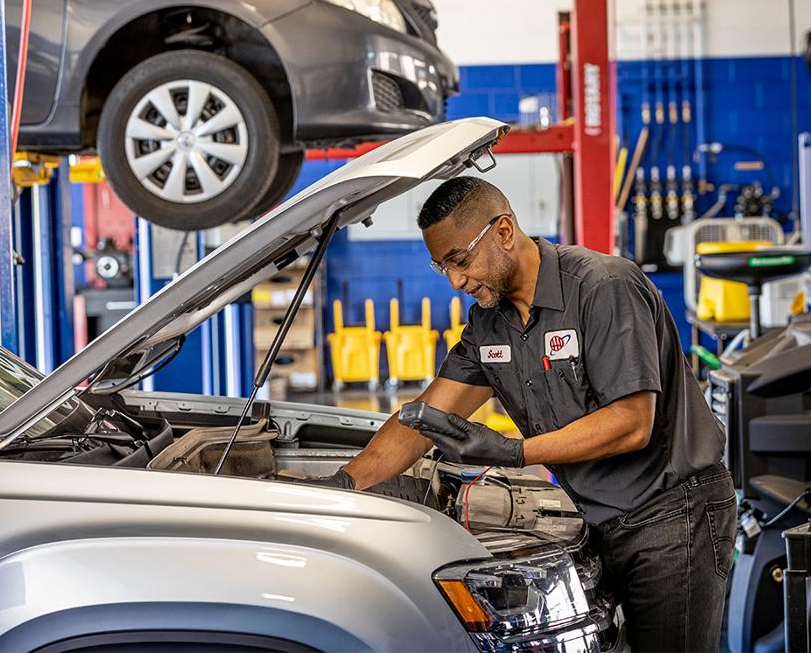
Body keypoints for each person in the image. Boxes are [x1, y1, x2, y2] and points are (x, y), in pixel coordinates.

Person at [315, 176, 735, 652]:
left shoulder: (603, 287)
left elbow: (631, 423)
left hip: (672, 513)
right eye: (441, 267)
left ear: (505, 232)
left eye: (460, 260)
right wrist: (341, 487)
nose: (455, 281)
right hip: (597, 518)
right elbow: (421, 419)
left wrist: (513, 451)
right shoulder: (489, 324)